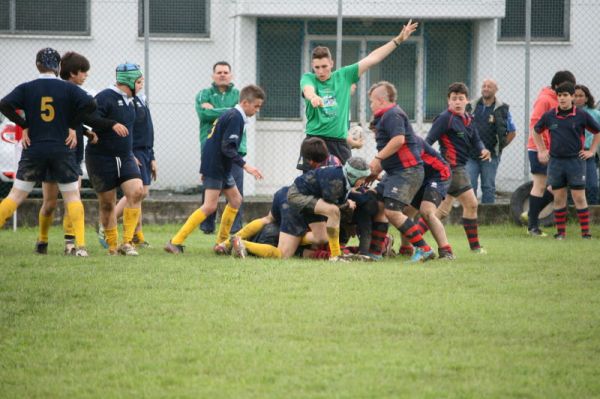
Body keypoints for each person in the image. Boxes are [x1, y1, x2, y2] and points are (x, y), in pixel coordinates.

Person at [0, 48, 94, 256]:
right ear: (58, 67)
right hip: (62, 149)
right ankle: (80, 246)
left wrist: (24, 125)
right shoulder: (68, 89)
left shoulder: (27, 88)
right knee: (72, 196)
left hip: (34, 148)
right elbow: (90, 103)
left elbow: (4, 104)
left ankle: (42, 242)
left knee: (15, 196)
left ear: (37, 65)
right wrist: (72, 125)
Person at [297, 19, 419, 171]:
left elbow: (372, 58)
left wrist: (398, 40)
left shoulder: (344, 76)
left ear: (332, 64)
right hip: (314, 140)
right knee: (309, 184)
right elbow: (308, 89)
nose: (321, 71)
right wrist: (313, 97)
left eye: (324, 66)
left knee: (346, 183)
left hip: (339, 143)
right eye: (317, 67)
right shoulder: (309, 78)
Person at [164, 85, 265, 254]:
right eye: (256, 106)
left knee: (235, 200)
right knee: (210, 206)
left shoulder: (233, 115)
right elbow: (227, 147)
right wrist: (246, 165)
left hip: (220, 165)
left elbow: (215, 142)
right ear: (245, 103)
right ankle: (175, 241)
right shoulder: (235, 117)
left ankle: (221, 244)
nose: (257, 110)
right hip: (216, 165)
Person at [35, 51, 99, 255]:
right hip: (55, 151)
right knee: (50, 203)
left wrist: (86, 131)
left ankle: (70, 243)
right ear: (72, 73)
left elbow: (79, 118)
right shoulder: (61, 92)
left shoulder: (77, 94)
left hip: (73, 154)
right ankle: (42, 240)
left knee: (73, 197)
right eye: (83, 72)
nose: (86, 76)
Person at [367, 81, 434, 262]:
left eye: (371, 101)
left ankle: (424, 249)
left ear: (381, 100)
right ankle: (375, 253)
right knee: (380, 205)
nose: (370, 106)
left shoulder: (392, 114)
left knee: (392, 211)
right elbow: (392, 152)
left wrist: (377, 159)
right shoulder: (385, 117)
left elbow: (398, 141)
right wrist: (375, 171)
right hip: (396, 172)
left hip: (407, 171)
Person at [85, 63, 145, 256]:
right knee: (108, 203)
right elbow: (88, 118)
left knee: (136, 191)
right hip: (101, 157)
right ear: (128, 81)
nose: (141, 84)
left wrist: (131, 153)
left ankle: (127, 243)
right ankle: (112, 245)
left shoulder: (131, 101)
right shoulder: (104, 97)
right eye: (139, 81)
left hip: (125, 156)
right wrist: (111, 124)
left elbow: (128, 131)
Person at [426, 82, 491, 254]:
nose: (457, 102)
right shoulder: (444, 119)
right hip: (452, 169)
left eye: (461, 99)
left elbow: (476, 139)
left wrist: (483, 149)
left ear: (467, 100)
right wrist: (436, 163)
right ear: (448, 100)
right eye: (454, 99)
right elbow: (427, 142)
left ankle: (415, 238)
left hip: (456, 169)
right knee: (471, 204)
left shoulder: (469, 119)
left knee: (440, 211)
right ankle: (475, 247)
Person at [532, 81, 600, 239]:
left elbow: (597, 131)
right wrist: (542, 149)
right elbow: (536, 131)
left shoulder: (581, 115)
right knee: (559, 197)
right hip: (556, 162)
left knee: (579, 197)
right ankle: (560, 233)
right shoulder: (550, 115)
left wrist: (592, 150)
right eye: (559, 95)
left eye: (565, 95)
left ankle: (586, 233)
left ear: (572, 97)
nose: (562, 98)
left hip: (575, 162)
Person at [525, 70, 576, 236]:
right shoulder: (545, 99)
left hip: (555, 151)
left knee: (556, 185)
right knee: (540, 184)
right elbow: (535, 125)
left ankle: (531, 216)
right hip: (540, 149)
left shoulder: (558, 102)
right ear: (556, 86)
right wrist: (542, 149)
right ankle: (532, 227)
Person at [195, 61, 243, 234]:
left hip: (234, 148)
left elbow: (241, 113)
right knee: (210, 190)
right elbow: (204, 114)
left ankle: (235, 229)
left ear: (231, 75)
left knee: (236, 191)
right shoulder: (203, 94)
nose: (222, 74)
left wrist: (217, 110)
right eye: (219, 72)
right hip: (211, 148)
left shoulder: (239, 94)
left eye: (225, 72)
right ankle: (207, 227)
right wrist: (231, 110)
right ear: (213, 75)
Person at [113, 76, 157, 248]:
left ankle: (137, 235)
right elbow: (127, 131)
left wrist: (152, 156)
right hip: (135, 151)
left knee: (141, 194)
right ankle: (107, 223)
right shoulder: (126, 103)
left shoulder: (141, 99)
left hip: (145, 151)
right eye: (137, 82)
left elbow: (148, 129)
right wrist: (130, 153)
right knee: (135, 193)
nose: (140, 85)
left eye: (141, 82)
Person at [399, 136, 454, 260]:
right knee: (406, 212)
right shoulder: (391, 143)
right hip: (421, 178)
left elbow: (410, 164)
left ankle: (446, 251)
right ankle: (406, 249)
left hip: (438, 175)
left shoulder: (412, 141)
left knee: (427, 212)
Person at [465, 79, 516, 203]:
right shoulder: (471, 107)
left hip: (491, 156)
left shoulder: (502, 109)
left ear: (496, 90)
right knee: (470, 186)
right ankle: (470, 214)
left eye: (489, 86)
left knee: (488, 187)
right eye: (484, 86)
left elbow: (512, 132)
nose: (486, 88)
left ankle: (487, 218)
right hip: (471, 154)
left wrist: (499, 147)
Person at [573, 84, 600, 205]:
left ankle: (593, 212)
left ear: (587, 98)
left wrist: (593, 151)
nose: (578, 98)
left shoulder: (595, 114)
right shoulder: (567, 113)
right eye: (575, 95)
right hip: (571, 155)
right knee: (572, 186)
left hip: (588, 154)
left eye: (581, 96)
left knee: (592, 185)